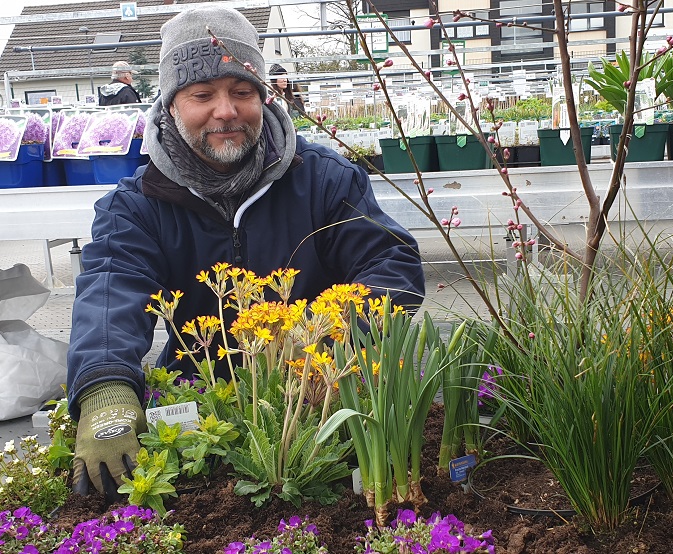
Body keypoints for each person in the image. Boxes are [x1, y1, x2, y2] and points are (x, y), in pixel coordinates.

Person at [65, 5, 425, 502]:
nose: (226, 110)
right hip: (204, 398)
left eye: (242, 92)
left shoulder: (323, 178)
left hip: (322, 399)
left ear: (262, 97)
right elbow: (110, 289)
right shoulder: (137, 206)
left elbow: (392, 265)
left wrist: (327, 336)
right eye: (201, 95)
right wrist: (105, 388)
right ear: (171, 106)